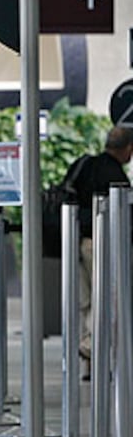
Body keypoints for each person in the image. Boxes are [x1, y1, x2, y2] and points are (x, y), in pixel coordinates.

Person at [65, 126, 133, 379]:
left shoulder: (84, 165)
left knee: (86, 302)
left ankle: (91, 366)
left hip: (76, 242)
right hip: (101, 244)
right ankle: (90, 347)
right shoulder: (115, 175)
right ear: (128, 149)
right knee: (106, 299)